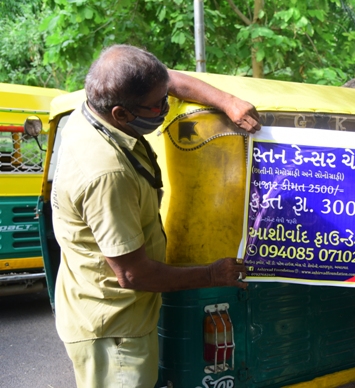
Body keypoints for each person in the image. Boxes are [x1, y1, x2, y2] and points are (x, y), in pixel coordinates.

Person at [50, 44, 261, 387]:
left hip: (115, 312)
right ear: (121, 114)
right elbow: (133, 275)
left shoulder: (91, 108)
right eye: (158, 104)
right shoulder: (107, 174)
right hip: (114, 328)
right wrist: (212, 274)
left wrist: (227, 101)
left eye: (166, 98)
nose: (165, 107)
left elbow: (169, 80)